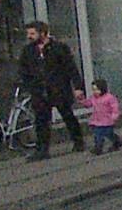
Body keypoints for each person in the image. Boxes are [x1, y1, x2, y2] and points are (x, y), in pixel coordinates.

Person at [18, 20, 85, 160]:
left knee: (67, 115)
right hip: (39, 91)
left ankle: (78, 141)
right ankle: (42, 150)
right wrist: (29, 85)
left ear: (42, 33)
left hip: (59, 88)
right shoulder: (28, 50)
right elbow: (23, 70)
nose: (29, 37)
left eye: (32, 33)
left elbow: (71, 68)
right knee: (41, 121)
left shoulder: (59, 48)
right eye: (28, 34)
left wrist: (78, 87)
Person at [79, 79, 122, 154]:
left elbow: (115, 107)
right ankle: (98, 147)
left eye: (97, 90)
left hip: (108, 120)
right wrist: (83, 101)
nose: (95, 92)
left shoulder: (109, 97)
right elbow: (89, 104)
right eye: (93, 90)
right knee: (98, 134)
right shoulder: (93, 98)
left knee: (108, 133)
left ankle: (116, 141)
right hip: (97, 120)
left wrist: (114, 115)